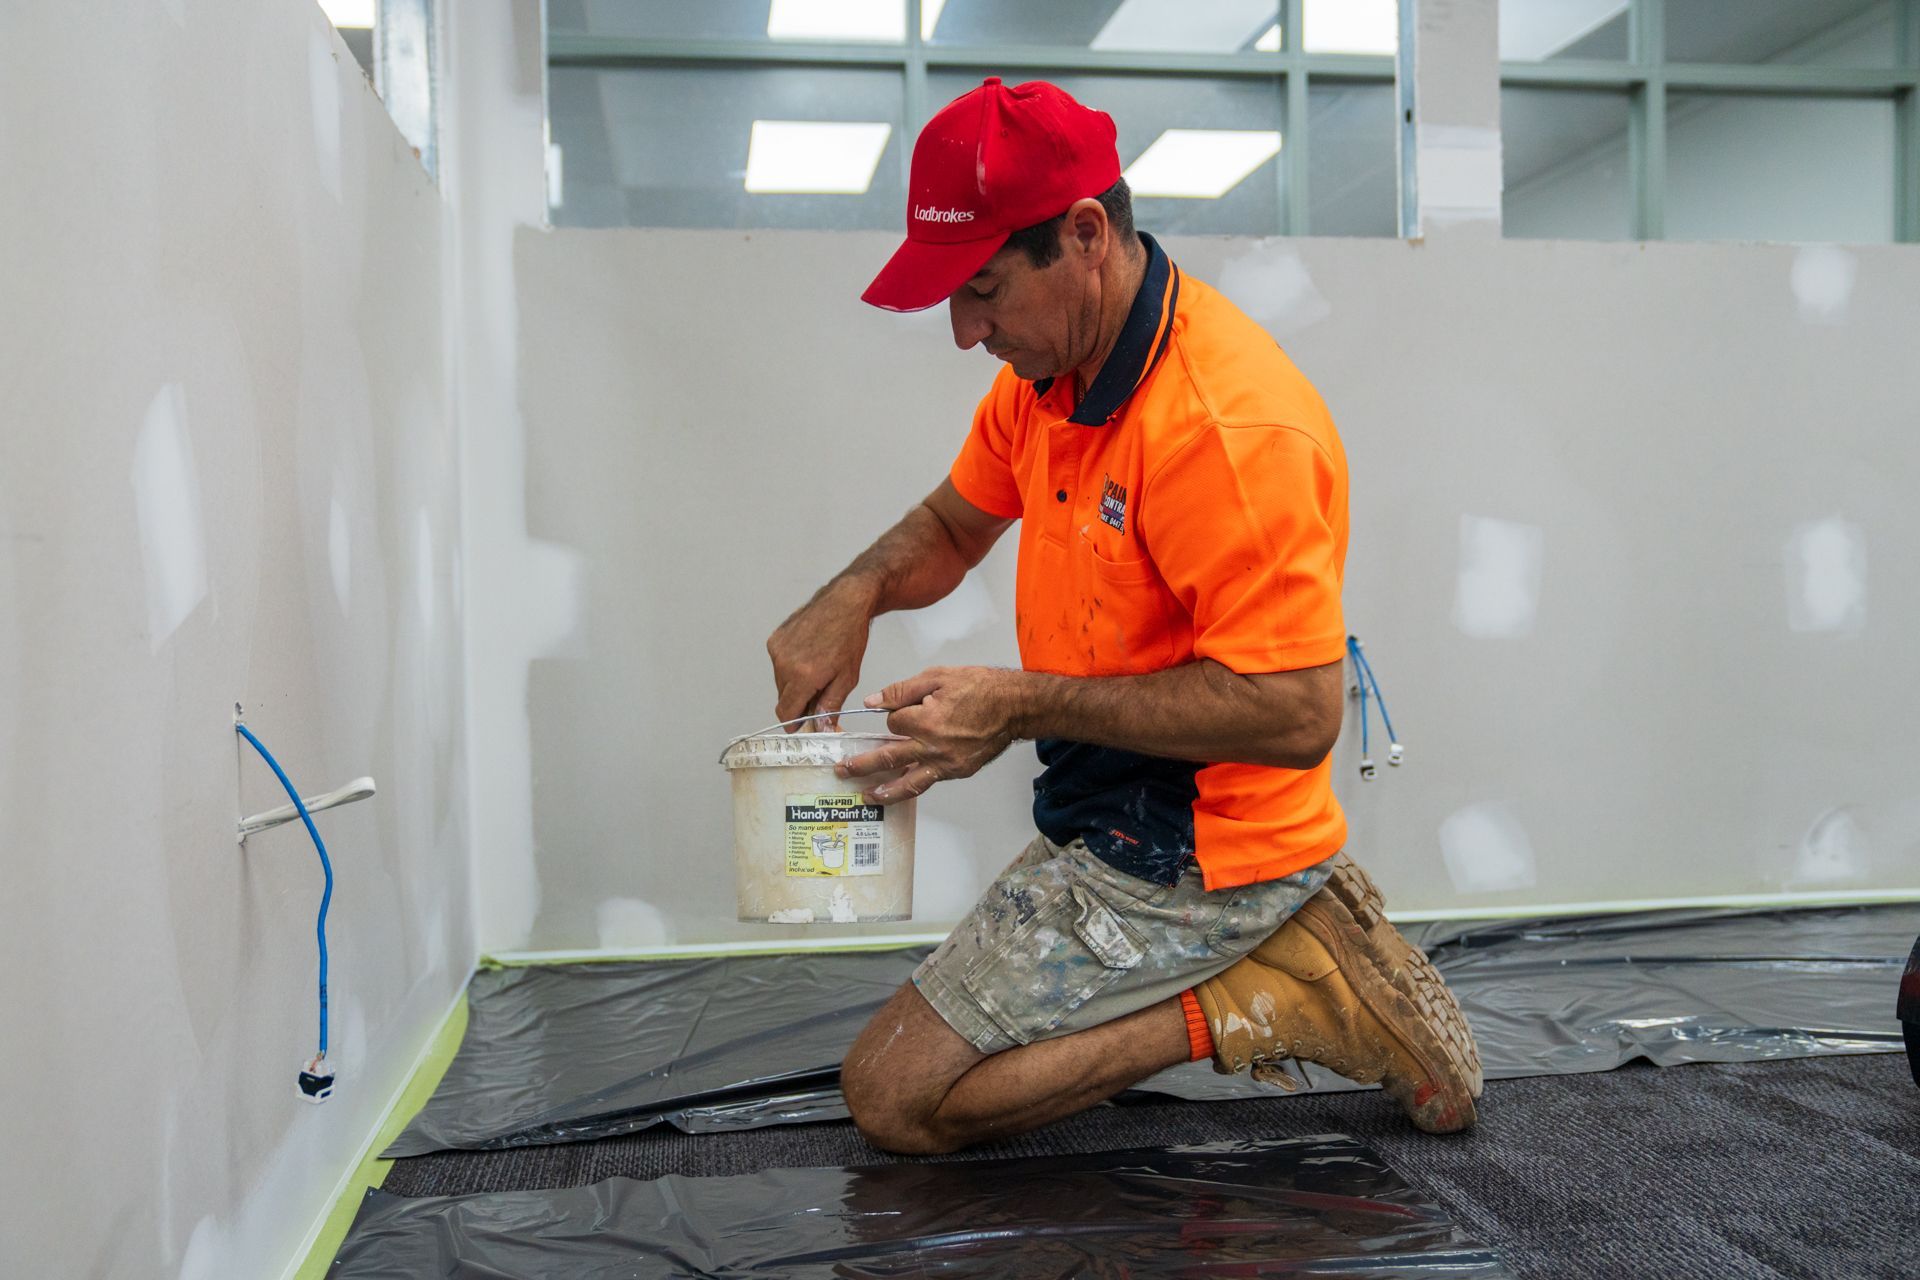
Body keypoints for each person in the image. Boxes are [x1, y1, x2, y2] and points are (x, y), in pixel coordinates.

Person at [766, 77, 1481, 1155]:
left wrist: (1011, 705)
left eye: (984, 291)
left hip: (1202, 841)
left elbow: (1294, 712)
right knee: (925, 1070)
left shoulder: (1227, 428)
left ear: (1085, 235)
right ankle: (1286, 961)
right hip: (1109, 800)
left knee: (894, 1096)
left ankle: (1273, 993)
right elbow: (954, 526)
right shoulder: (1048, 379)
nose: (967, 332)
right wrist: (852, 590)